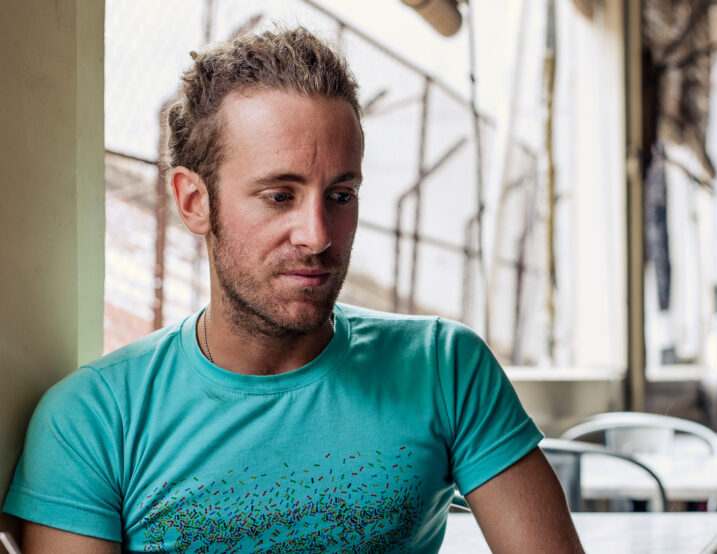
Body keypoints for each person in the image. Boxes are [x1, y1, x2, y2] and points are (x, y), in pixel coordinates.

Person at [3, 27, 582, 553]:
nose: (318, 236)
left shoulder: (443, 368)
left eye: (341, 195)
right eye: (280, 195)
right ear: (193, 201)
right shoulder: (92, 419)